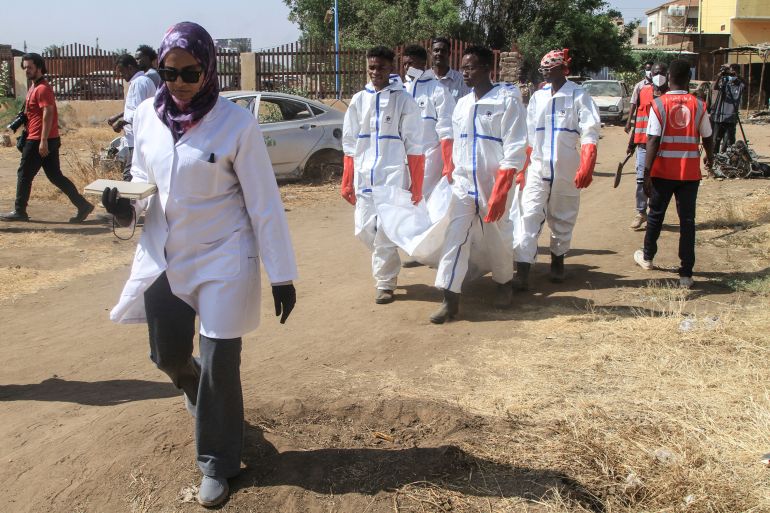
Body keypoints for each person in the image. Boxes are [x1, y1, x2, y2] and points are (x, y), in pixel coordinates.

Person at [101, 22, 297, 507]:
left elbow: (264, 204)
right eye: (169, 73)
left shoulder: (236, 125)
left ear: (208, 69)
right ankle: (195, 388)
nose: (180, 82)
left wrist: (282, 273)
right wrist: (126, 208)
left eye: (190, 72)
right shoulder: (147, 115)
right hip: (164, 255)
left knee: (220, 365)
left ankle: (217, 462)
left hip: (223, 258)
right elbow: (143, 182)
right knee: (166, 356)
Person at [430, 45, 528, 323]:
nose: (465, 72)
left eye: (470, 67)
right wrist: (452, 172)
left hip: (493, 184)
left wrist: (502, 186)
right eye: (463, 67)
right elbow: (458, 145)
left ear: (487, 68)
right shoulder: (462, 104)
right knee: (455, 237)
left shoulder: (507, 101)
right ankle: (450, 298)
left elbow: (516, 147)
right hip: (464, 184)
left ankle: (504, 283)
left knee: (497, 235)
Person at [341, 46, 423, 304]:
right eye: (372, 67)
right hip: (365, 176)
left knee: (385, 232)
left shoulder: (403, 101)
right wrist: (347, 180)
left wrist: (417, 184)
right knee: (364, 229)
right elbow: (349, 142)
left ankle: (385, 283)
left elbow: (415, 144)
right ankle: (387, 260)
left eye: (382, 68)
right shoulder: (358, 100)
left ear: (391, 69)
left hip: (393, 176)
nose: (376, 72)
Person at [512, 49, 600, 290]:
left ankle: (558, 261)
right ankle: (522, 270)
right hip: (538, 168)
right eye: (544, 69)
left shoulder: (578, 96)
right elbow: (528, 137)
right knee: (528, 214)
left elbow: (590, 130)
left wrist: (587, 162)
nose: (546, 73)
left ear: (563, 69)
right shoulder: (538, 98)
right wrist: (522, 168)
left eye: (550, 68)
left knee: (562, 217)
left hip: (565, 168)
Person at [634, 59, 714, 289]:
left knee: (655, 216)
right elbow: (707, 135)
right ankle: (686, 274)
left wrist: (647, 173)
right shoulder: (699, 105)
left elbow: (652, 140)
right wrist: (709, 156)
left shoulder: (659, 105)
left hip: (662, 173)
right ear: (689, 79)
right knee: (687, 222)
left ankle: (647, 257)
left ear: (669, 78)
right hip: (689, 173)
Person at [0, 53, 93, 223]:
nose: (27, 70)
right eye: (25, 67)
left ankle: (20, 211)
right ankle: (83, 205)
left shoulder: (42, 88)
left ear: (39, 67)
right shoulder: (34, 87)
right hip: (42, 138)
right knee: (55, 176)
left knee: (24, 174)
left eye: (30, 67)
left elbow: (48, 113)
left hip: (39, 140)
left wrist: (42, 141)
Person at [401, 44, 456, 198]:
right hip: (403, 160)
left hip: (429, 158)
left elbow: (446, 129)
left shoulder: (437, 90)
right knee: (404, 201)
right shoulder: (401, 91)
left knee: (423, 201)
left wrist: (447, 164)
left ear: (422, 64)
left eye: (410, 63)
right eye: (404, 64)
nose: (407, 67)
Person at [626, 62, 668, 230]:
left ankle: (655, 214)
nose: (657, 75)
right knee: (642, 179)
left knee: (661, 182)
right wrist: (632, 142)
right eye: (655, 72)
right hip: (643, 143)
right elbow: (639, 117)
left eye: (661, 72)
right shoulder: (643, 91)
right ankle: (641, 212)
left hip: (665, 146)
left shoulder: (671, 95)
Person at [107, 54, 156, 181]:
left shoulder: (139, 83)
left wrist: (121, 123)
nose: (121, 76)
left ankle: (128, 201)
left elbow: (140, 112)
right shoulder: (141, 81)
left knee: (130, 176)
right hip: (135, 138)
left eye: (122, 72)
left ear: (130, 68)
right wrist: (117, 116)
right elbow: (135, 108)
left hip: (137, 139)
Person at [711, 63, 744, 154]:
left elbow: (744, 84)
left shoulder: (739, 84)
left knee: (728, 142)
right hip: (720, 116)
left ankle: (725, 160)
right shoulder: (724, 82)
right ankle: (714, 158)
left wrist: (736, 75)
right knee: (716, 140)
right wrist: (720, 76)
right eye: (730, 71)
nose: (731, 74)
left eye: (733, 71)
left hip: (731, 118)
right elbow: (715, 87)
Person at [431, 37, 471, 102]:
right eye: (436, 50)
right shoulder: (424, 78)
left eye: (443, 51)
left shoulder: (461, 80)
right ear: (430, 53)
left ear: (449, 53)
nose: (439, 53)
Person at [624, 60, 654, 135]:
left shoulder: (659, 86)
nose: (649, 71)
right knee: (633, 144)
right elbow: (633, 103)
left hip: (654, 122)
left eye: (651, 69)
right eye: (648, 69)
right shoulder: (639, 86)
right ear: (645, 70)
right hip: (641, 123)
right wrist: (629, 122)